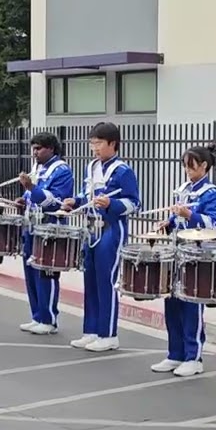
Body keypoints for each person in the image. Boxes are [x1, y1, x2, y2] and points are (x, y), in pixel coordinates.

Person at [61, 123, 141, 352]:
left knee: (107, 281)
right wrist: (75, 202)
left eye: (98, 143)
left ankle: (108, 334)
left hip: (112, 228)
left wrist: (112, 204)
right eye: (92, 143)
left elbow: (134, 203)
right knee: (90, 280)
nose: (94, 148)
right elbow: (87, 193)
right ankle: (91, 330)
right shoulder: (92, 166)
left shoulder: (123, 171)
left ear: (112, 144)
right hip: (92, 228)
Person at [151, 143, 216, 377]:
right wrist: (169, 222)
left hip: (197, 254)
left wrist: (190, 215)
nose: (188, 171)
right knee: (171, 303)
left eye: (192, 167)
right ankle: (175, 353)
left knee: (191, 306)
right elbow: (176, 216)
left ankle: (194, 356)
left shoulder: (211, 192)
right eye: (185, 166)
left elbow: (214, 224)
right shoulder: (184, 188)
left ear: (204, 166)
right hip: (177, 251)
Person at [16, 132, 74, 335]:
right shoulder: (37, 167)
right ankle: (37, 315)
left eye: (39, 148)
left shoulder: (62, 170)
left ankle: (49, 319)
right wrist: (24, 198)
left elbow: (55, 200)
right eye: (33, 148)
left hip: (50, 226)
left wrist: (31, 188)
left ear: (51, 149)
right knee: (30, 271)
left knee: (46, 272)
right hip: (31, 224)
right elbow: (30, 195)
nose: (35, 152)